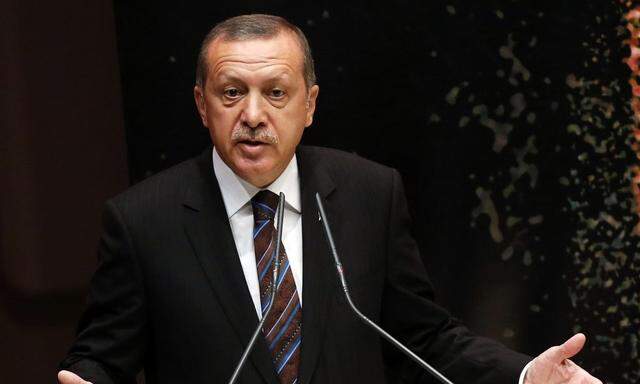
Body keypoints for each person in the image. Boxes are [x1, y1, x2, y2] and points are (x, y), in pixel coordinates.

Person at [58, 14, 603, 384]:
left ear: (310, 104)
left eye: (275, 93)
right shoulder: (141, 220)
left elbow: (425, 337)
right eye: (232, 93)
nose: (252, 115)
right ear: (202, 105)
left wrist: (526, 374)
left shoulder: (369, 194)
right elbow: (102, 359)